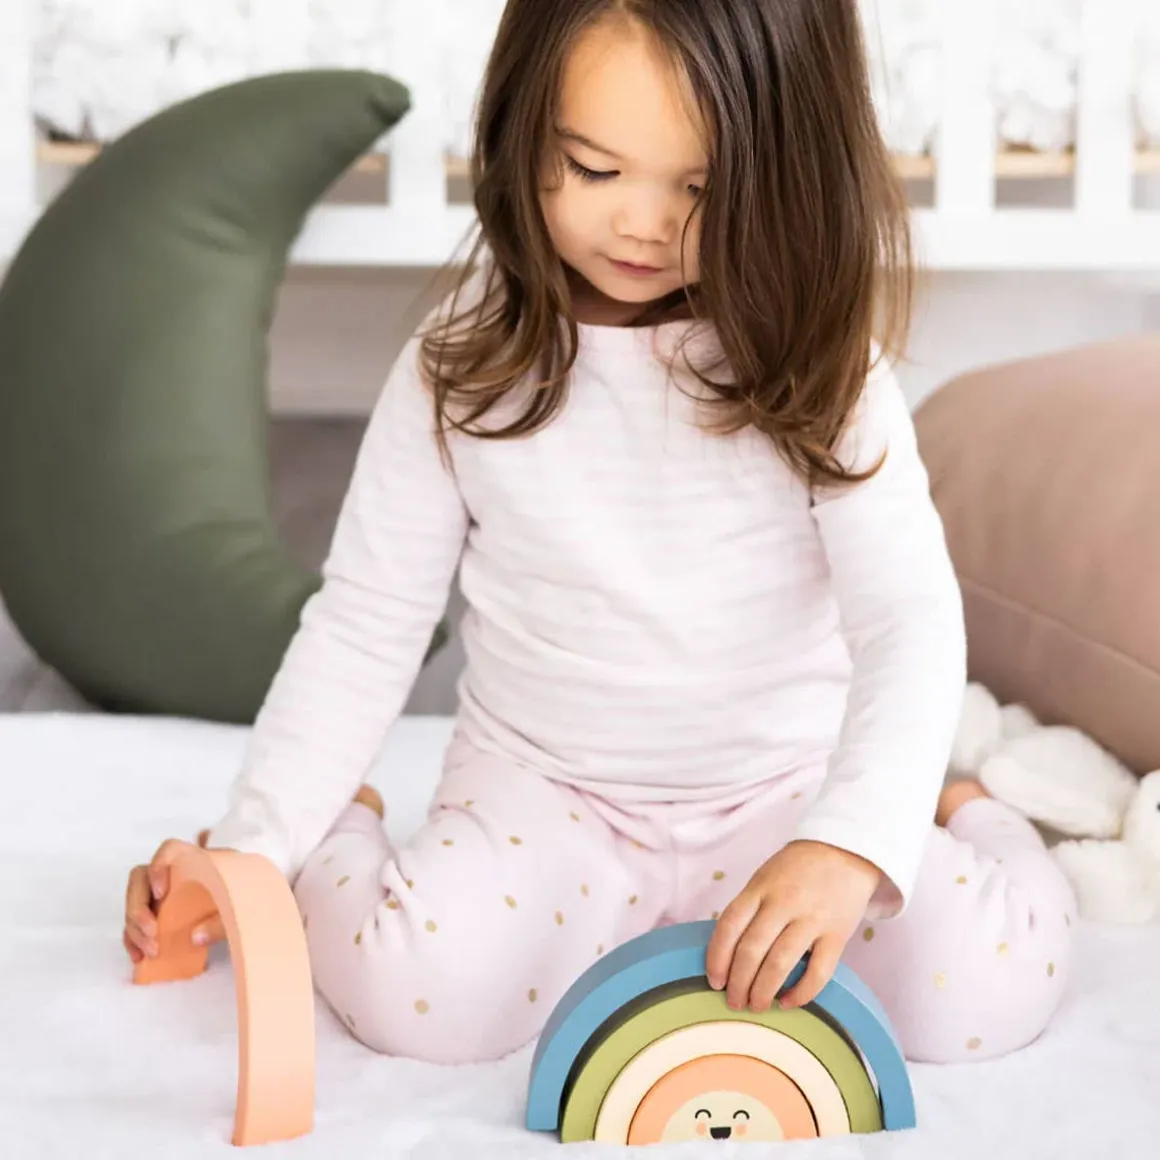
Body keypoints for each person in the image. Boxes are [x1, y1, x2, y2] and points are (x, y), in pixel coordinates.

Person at [123, 0, 1075, 1067]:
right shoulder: (455, 372)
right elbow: (362, 625)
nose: (640, 225)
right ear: (521, 132)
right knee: (412, 997)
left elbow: (907, 620)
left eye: (700, 188)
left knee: (979, 994)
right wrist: (252, 844)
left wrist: (851, 837)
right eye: (591, 167)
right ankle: (343, 817)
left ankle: (970, 807)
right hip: (545, 794)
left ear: (790, 172)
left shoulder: (825, 372)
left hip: (782, 793)